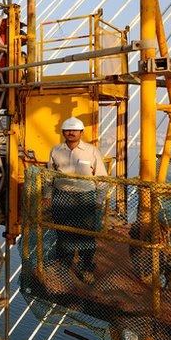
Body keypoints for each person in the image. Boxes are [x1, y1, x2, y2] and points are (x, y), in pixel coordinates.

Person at [43, 117, 107, 283]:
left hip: (85, 197)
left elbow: (102, 177)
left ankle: (87, 268)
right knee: (63, 232)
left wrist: (99, 199)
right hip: (61, 195)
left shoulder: (92, 151)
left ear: (81, 133)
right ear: (63, 132)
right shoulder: (55, 151)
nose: (71, 133)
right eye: (68, 130)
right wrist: (47, 195)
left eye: (74, 130)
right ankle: (64, 264)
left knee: (86, 234)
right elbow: (50, 175)